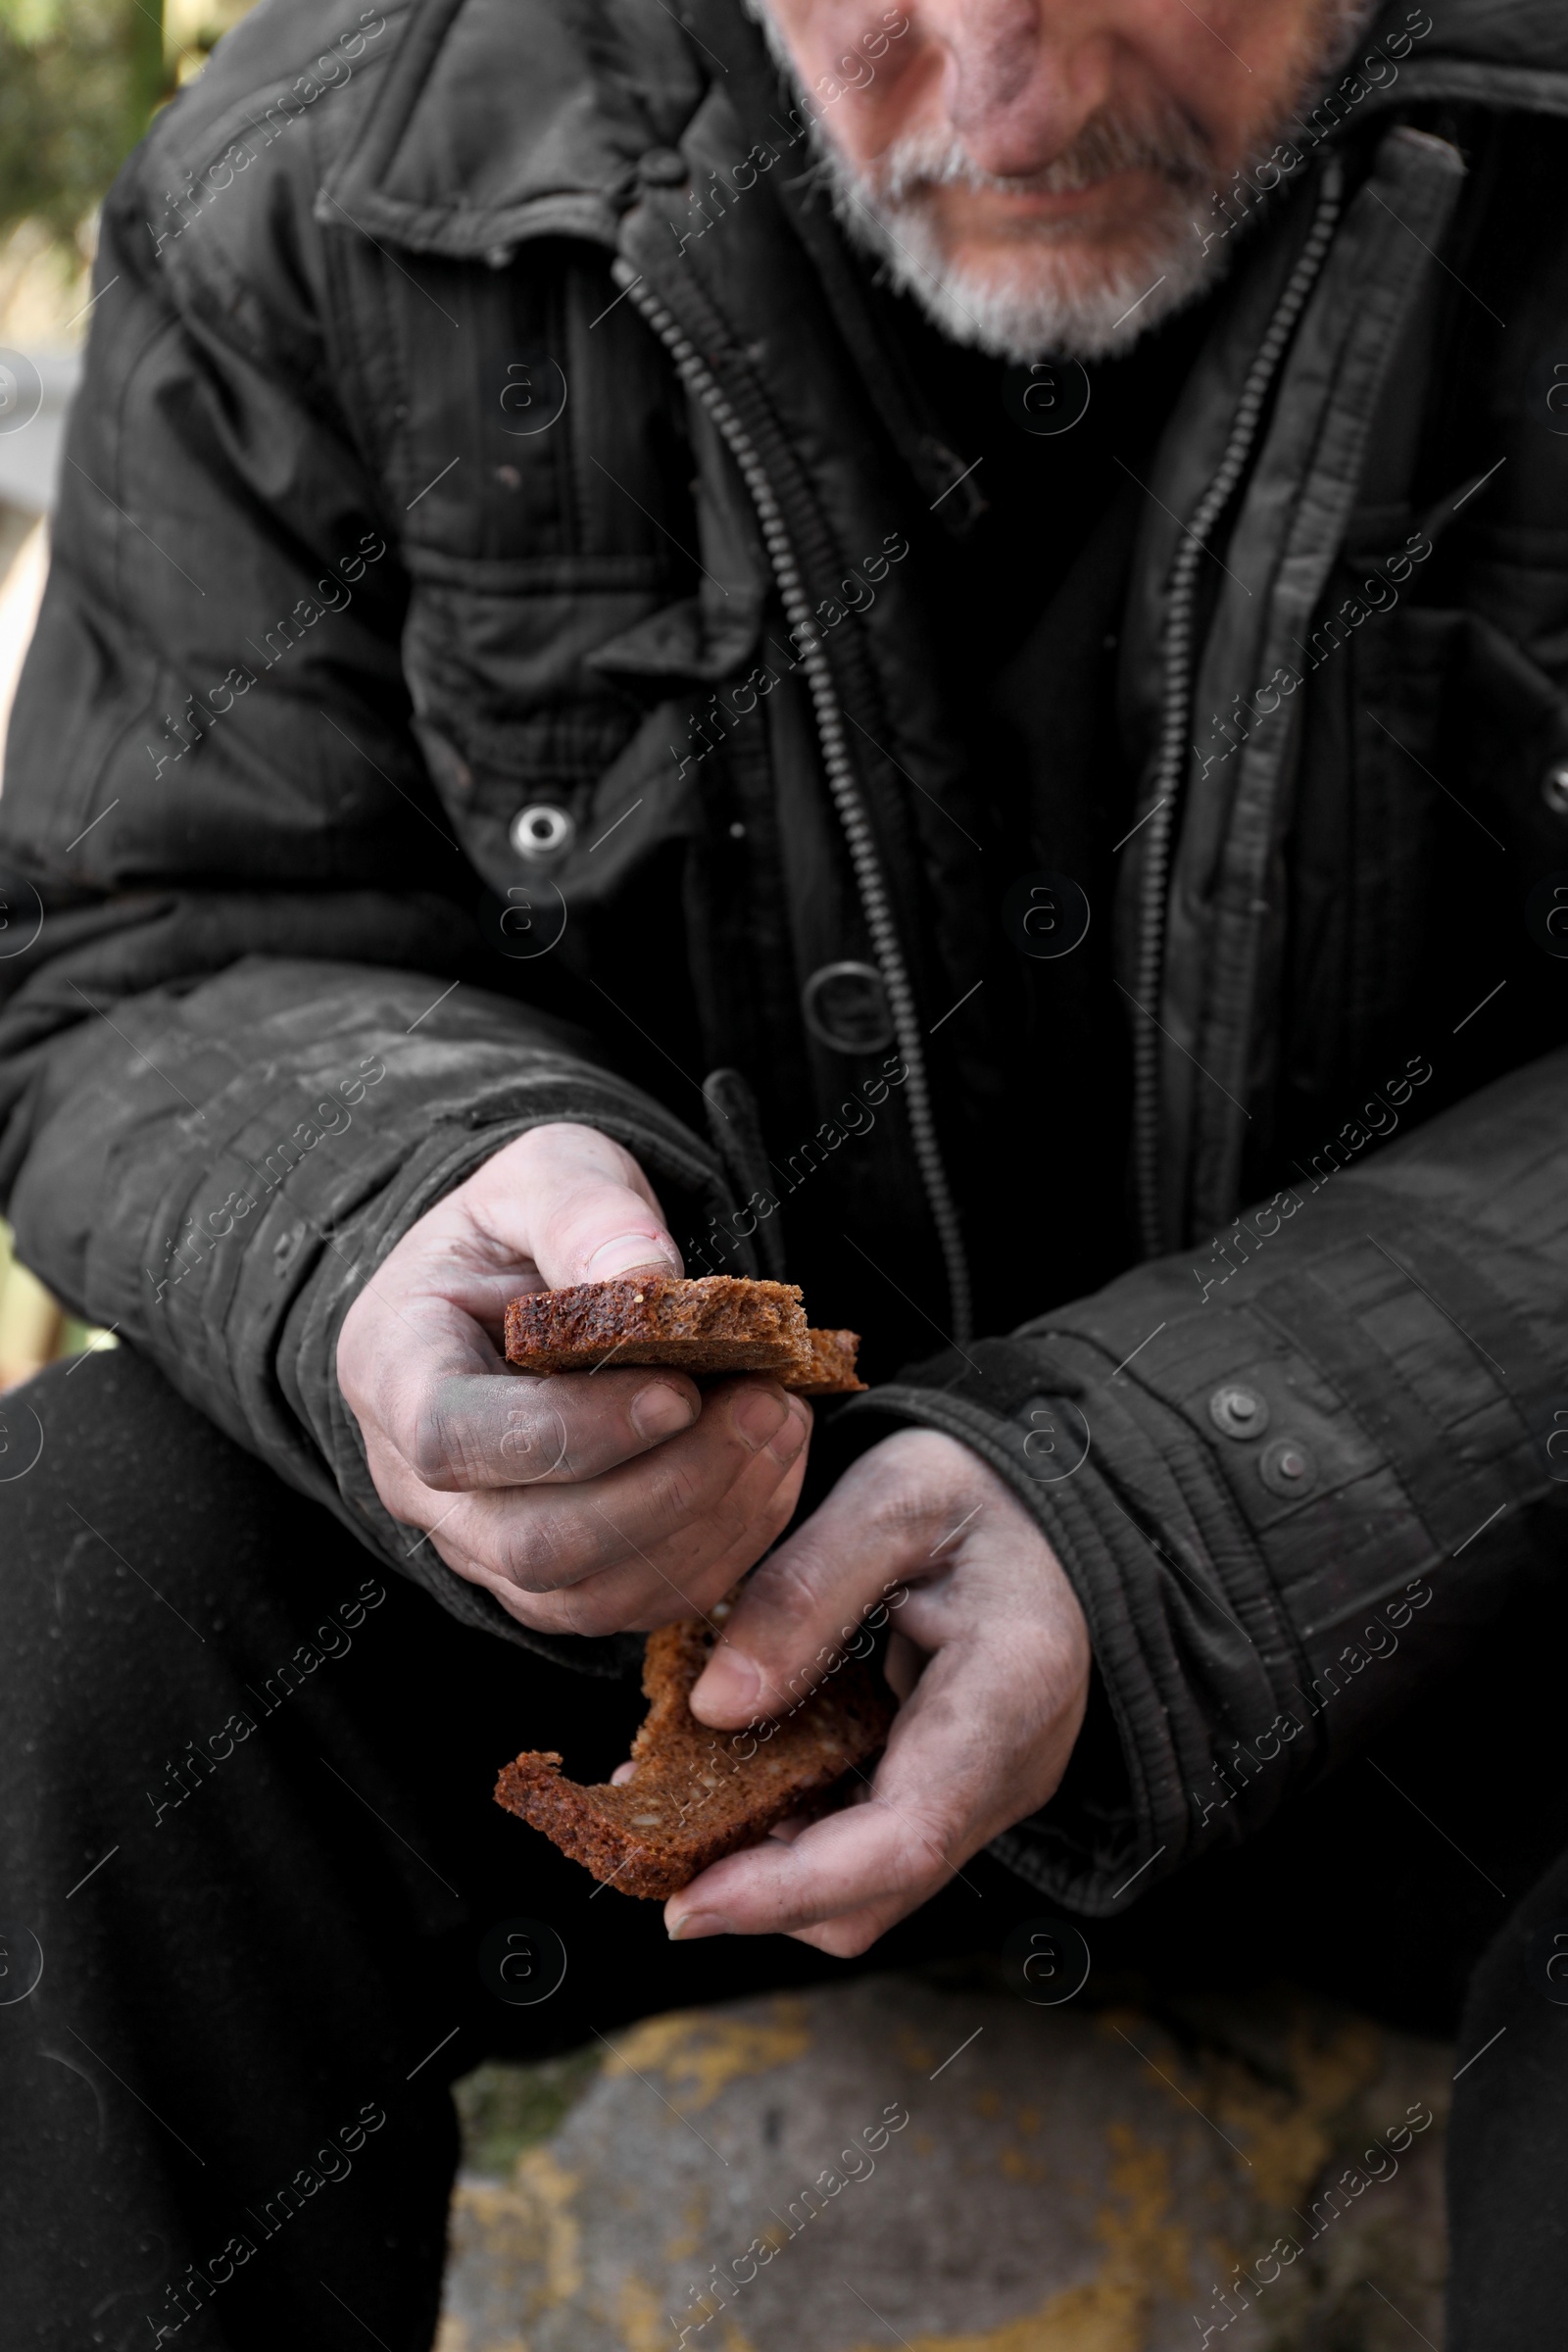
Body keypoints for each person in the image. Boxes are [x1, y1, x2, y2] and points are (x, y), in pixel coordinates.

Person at [1, 0, 1565, 2341]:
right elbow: (148, 939)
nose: (1002, 86)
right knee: (84, 1574)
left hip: (1456, 1648)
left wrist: (1140, 1515)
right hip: (676, 1657)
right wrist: (395, 1219)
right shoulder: (325, 177)